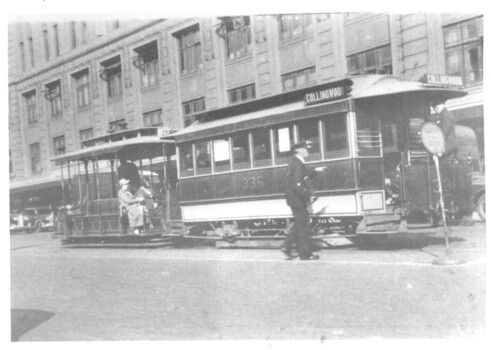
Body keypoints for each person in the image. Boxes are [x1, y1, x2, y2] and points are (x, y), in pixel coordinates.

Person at [282, 141, 326, 261]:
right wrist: (308, 196)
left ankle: (289, 247)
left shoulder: (296, 162)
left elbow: (303, 174)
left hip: (294, 199)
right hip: (297, 199)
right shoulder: (297, 163)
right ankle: (305, 254)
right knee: (303, 227)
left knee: (300, 224)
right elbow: (298, 183)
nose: (307, 151)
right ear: (299, 151)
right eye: (305, 149)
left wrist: (315, 170)